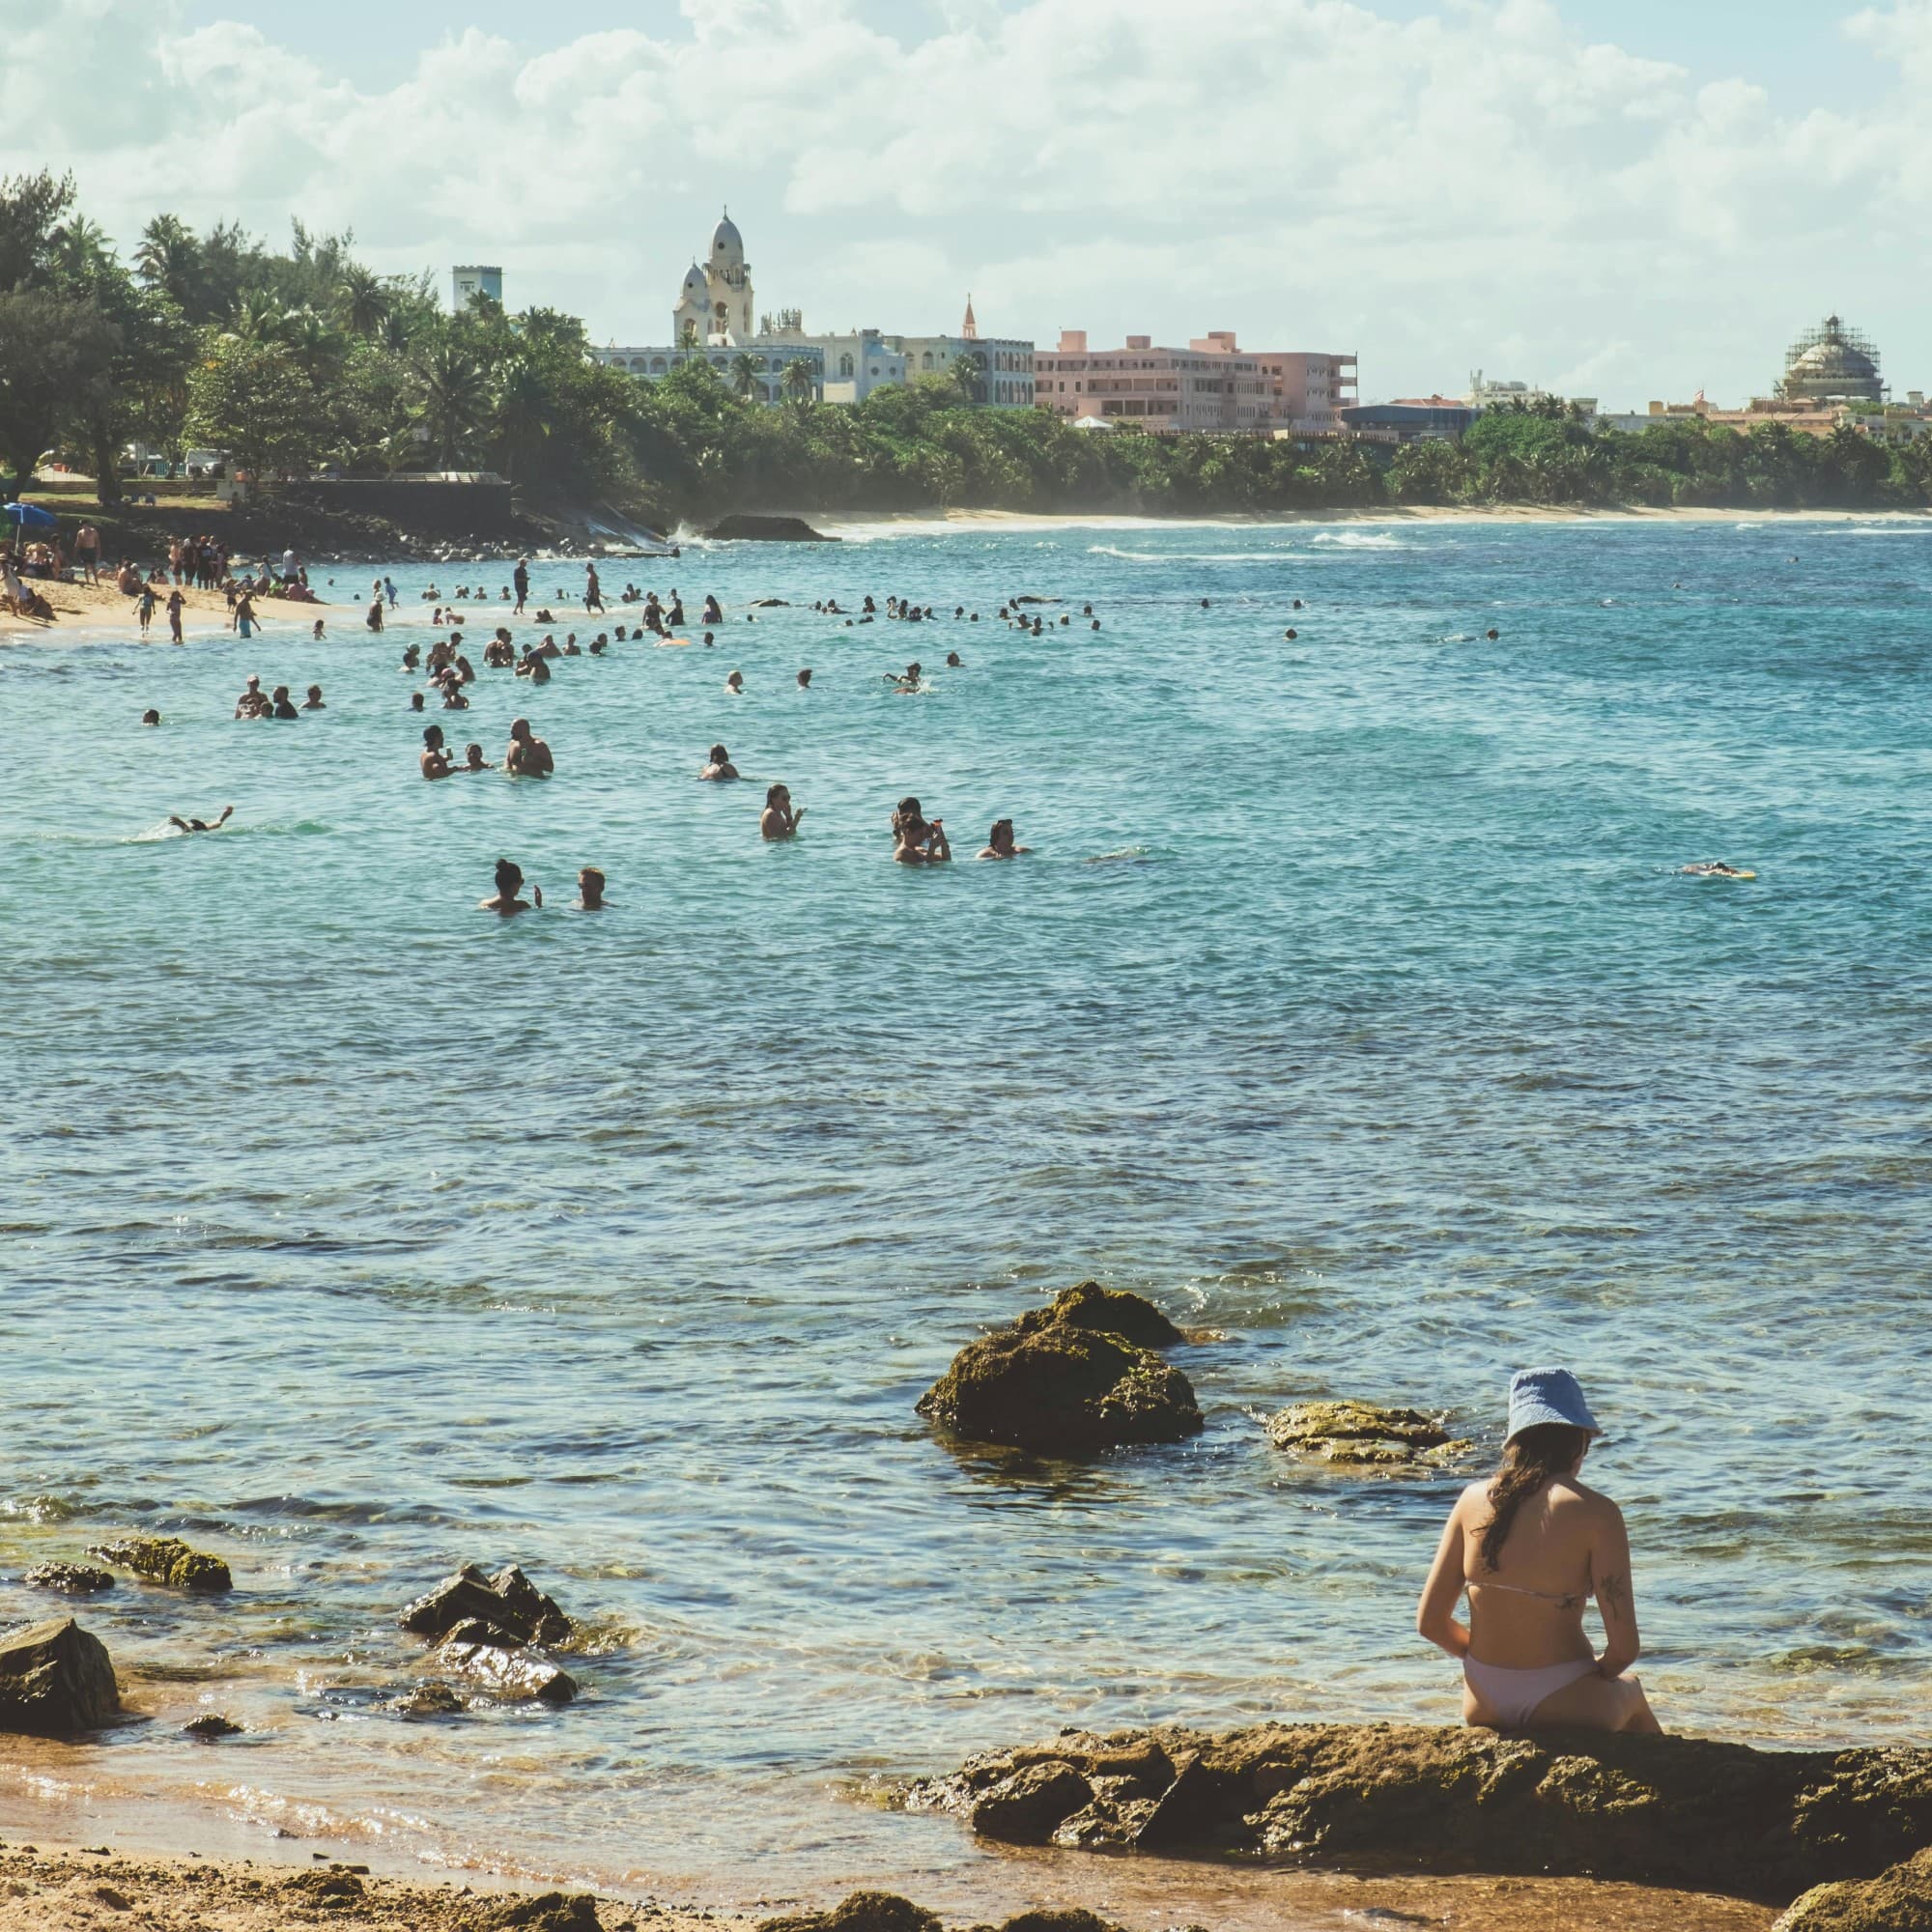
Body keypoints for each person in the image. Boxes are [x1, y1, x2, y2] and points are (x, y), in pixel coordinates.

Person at [1417, 1369, 1660, 1736]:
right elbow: (1624, 1649)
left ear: (1516, 1441)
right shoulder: (1596, 1511)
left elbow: (1430, 1624)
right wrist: (1595, 1677)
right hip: (1565, 1697)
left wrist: (1489, 1663)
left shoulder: (1471, 1500)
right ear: (1580, 1440)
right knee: (1633, 1689)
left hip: (1484, 1698)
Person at [169, 805, 234, 834]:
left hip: (201, 828)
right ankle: (182, 825)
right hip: (202, 828)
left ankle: (183, 825)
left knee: (215, 825)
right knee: (215, 825)